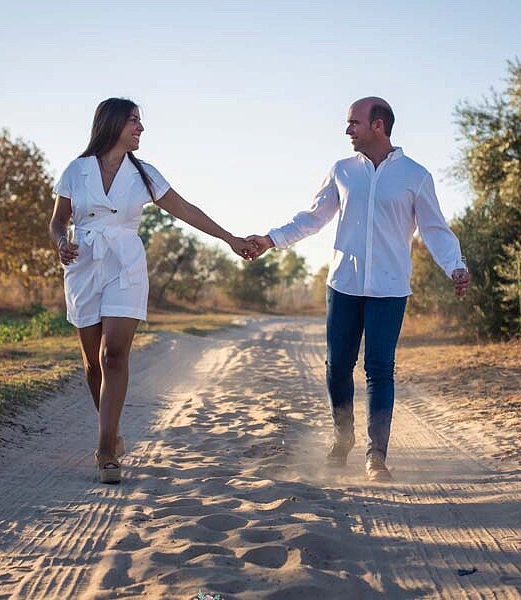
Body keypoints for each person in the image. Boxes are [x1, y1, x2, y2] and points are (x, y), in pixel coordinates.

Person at [246, 97, 470, 482]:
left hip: (390, 288)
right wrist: (271, 240)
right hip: (344, 285)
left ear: (378, 125)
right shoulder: (342, 171)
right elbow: (313, 218)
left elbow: (434, 228)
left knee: (380, 368)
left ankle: (376, 456)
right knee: (337, 369)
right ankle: (343, 435)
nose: (347, 130)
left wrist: (456, 265)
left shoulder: (415, 176)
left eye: (354, 123)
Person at [50, 97, 256, 483]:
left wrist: (229, 237)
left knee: (113, 355)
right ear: (112, 124)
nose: (140, 128)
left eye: (139, 122)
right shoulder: (76, 171)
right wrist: (61, 242)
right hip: (84, 266)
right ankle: (110, 433)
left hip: (125, 265)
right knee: (93, 364)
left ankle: (106, 450)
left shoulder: (145, 174)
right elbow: (58, 221)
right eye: (133, 121)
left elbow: (187, 210)